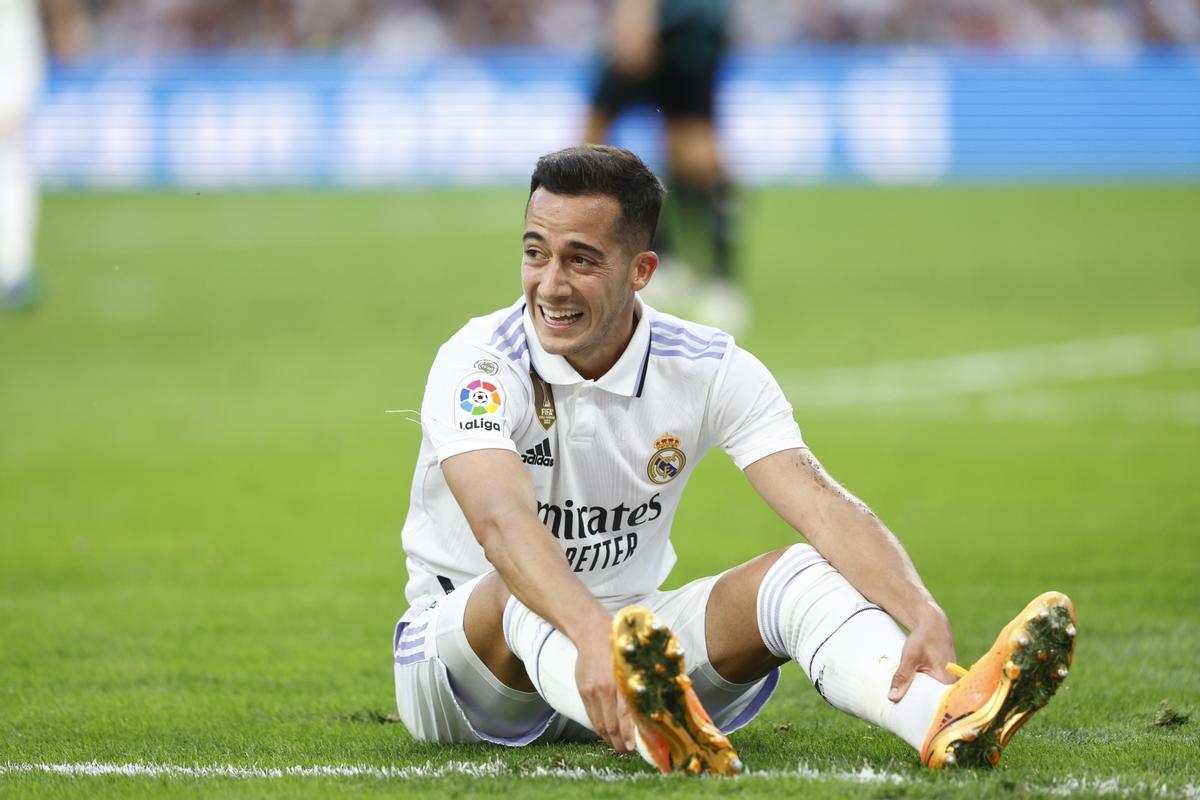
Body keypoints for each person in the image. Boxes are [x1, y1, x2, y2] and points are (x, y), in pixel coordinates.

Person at [392, 144, 1076, 774]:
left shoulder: (708, 365)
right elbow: (503, 525)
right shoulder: (479, 364)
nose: (550, 284)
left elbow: (819, 504)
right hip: (463, 674)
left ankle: (941, 718)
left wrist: (917, 608)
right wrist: (593, 636)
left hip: (631, 647)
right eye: (535, 252)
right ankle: (651, 725)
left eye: (581, 259)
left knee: (801, 573)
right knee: (524, 579)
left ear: (643, 271)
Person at [584, 0, 748, 335]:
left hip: (681, 26)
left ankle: (720, 280)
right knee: (677, 148)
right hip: (682, 24)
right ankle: (672, 260)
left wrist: (635, 20)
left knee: (694, 153)